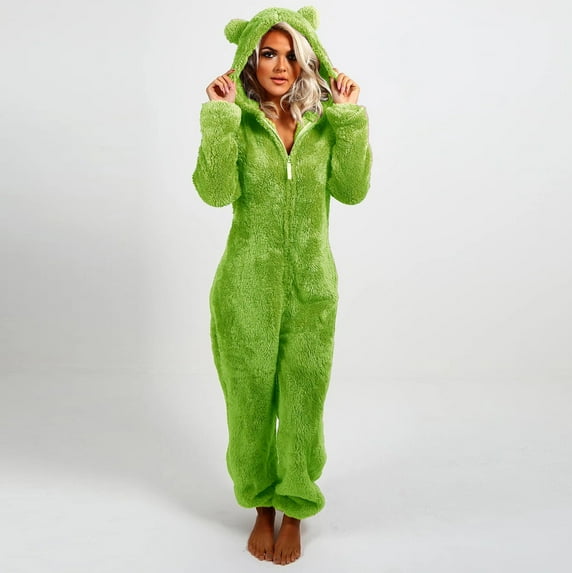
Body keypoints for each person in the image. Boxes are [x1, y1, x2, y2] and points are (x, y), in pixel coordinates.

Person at [193, 6, 372, 566]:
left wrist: (350, 118)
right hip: (245, 286)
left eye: (291, 55)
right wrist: (219, 118)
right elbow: (215, 193)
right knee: (248, 403)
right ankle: (260, 504)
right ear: (249, 59)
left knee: (303, 401)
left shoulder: (324, 125)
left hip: (312, 288)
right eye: (268, 53)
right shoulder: (239, 124)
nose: (280, 65)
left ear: (307, 61)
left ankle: (293, 507)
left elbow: (353, 190)